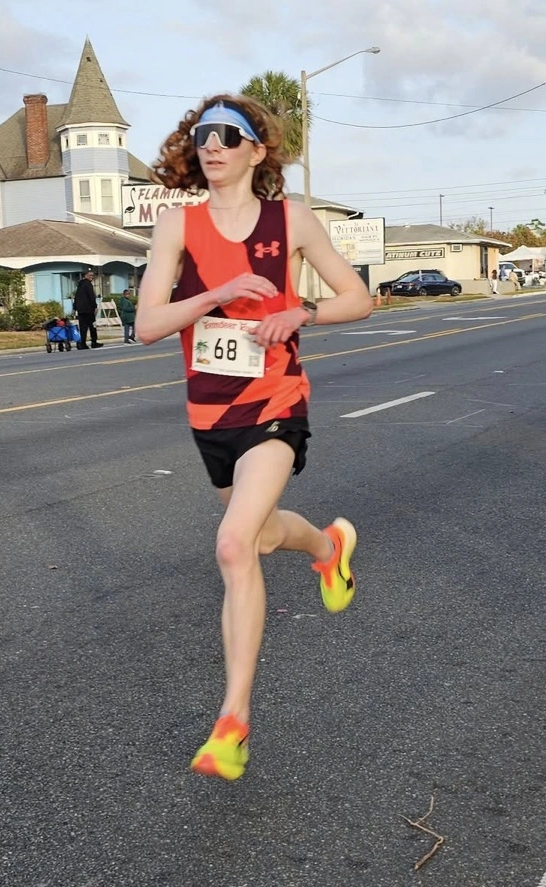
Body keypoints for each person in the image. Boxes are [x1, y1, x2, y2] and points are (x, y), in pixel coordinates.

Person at [134, 95, 374, 781]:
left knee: (235, 543)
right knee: (264, 535)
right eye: (201, 135)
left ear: (256, 150)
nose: (211, 146)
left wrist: (301, 310)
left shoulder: (290, 219)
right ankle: (329, 546)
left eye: (227, 135)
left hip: (275, 400)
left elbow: (359, 298)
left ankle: (232, 722)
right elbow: (150, 324)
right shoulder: (176, 225)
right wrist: (215, 293)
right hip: (209, 412)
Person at [73, 269, 99, 350]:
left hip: (80, 310)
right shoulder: (88, 285)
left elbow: (76, 297)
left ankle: (82, 343)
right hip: (88, 309)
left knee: (83, 327)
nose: (92, 277)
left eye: (92, 275)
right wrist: (95, 306)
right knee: (92, 326)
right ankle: (94, 342)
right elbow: (91, 297)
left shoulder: (80, 285)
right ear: (86, 276)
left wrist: (74, 307)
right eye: (90, 275)